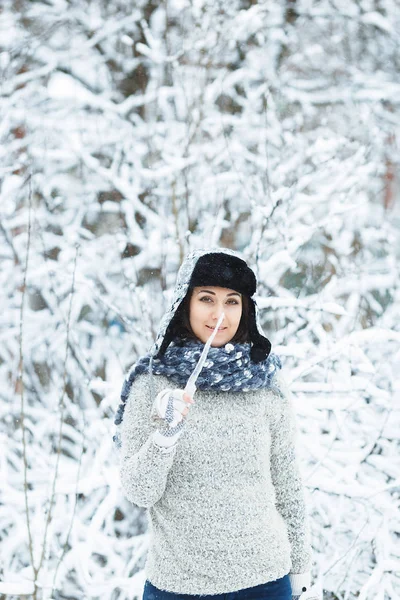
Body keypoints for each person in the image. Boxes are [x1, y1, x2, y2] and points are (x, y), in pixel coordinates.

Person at [113, 248, 318, 600]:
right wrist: (165, 436)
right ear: (185, 303)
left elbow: (287, 485)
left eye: (232, 301)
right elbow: (139, 492)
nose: (220, 314)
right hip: (177, 587)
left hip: (266, 583)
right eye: (206, 298)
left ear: (246, 309)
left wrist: (301, 568)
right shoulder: (152, 384)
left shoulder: (265, 383)